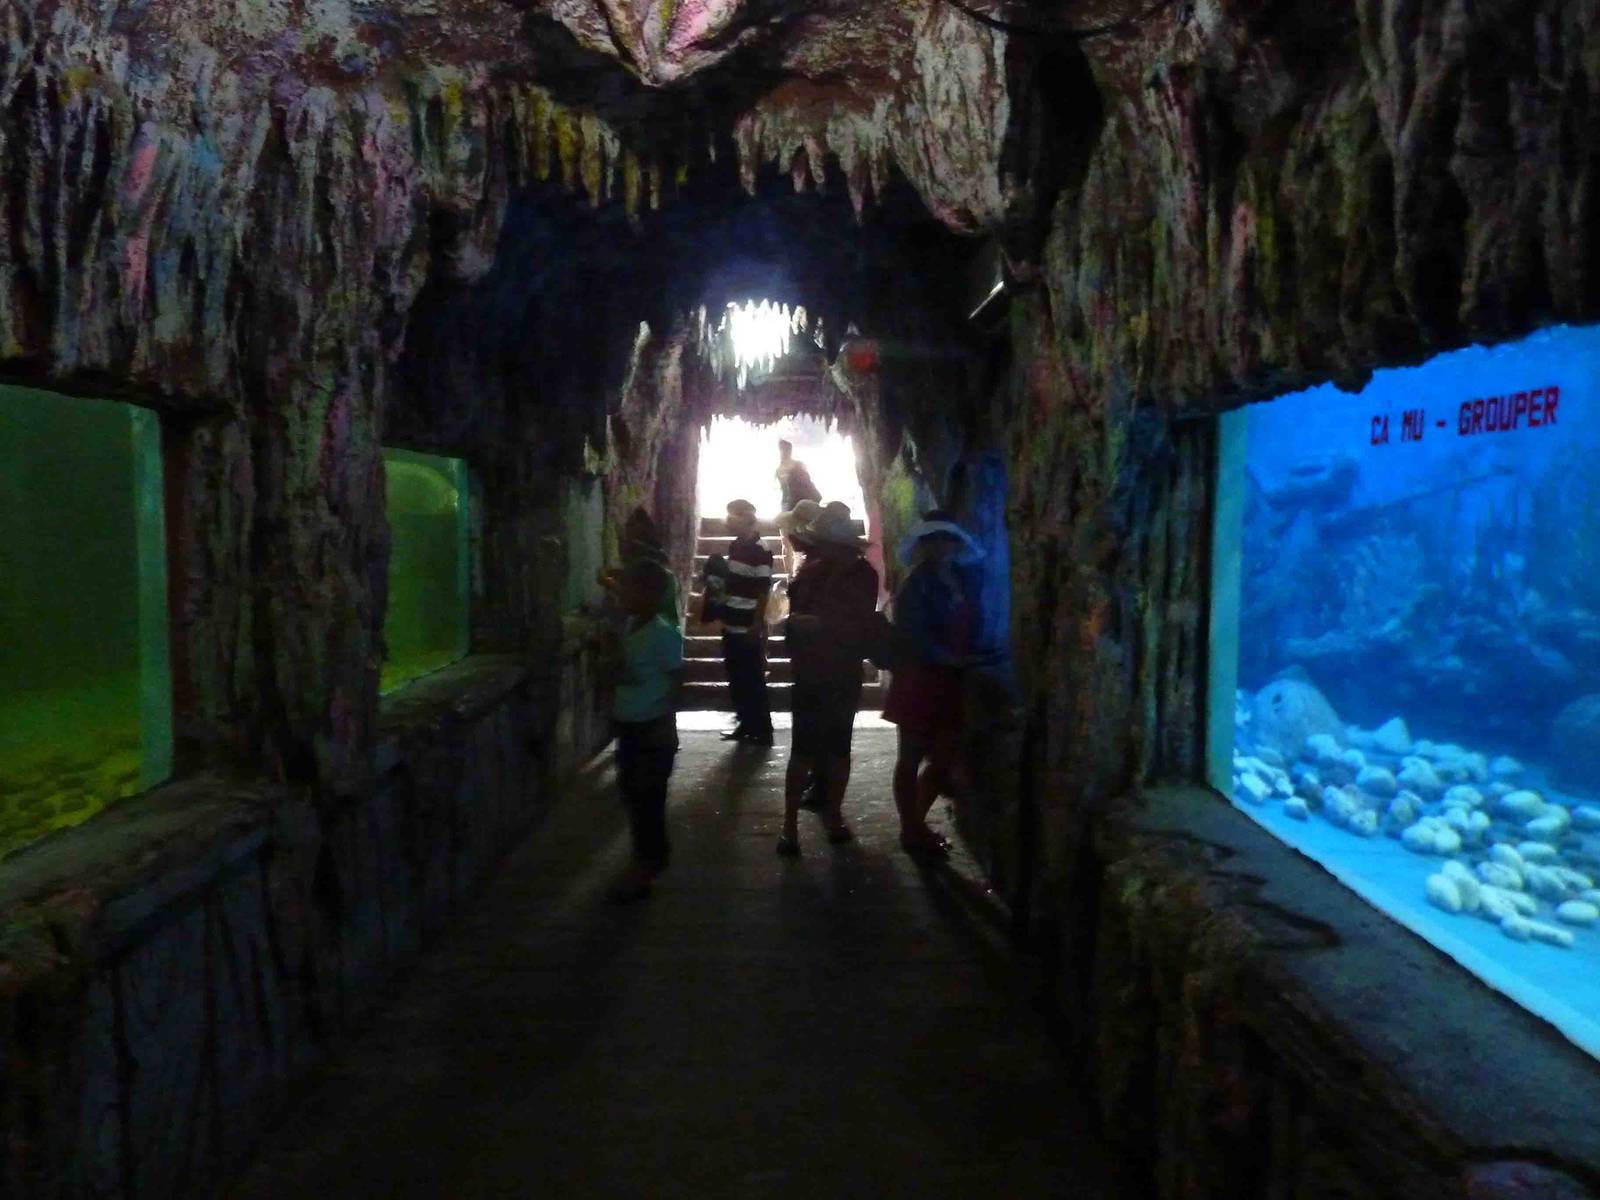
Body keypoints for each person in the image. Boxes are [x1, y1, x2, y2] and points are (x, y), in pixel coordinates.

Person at [882, 510, 987, 858]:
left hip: (948, 679)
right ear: (926, 545)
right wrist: (952, 658)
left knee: (943, 756)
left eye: (946, 539)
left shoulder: (957, 578)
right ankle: (912, 829)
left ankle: (915, 824)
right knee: (910, 756)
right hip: (920, 677)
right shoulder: (917, 583)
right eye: (935, 539)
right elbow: (913, 635)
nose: (942, 545)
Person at [778, 502, 878, 856]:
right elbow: (797, 619)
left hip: (839, 671)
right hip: (815, 671)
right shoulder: (812, 573)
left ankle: (831, 814)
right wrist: (801, 625)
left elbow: (859, 621)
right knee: (805, 749)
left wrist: (819, 624)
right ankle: (791, 824)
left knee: (837, 748)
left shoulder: (862, 575)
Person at [606, 559, 685, 902]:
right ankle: (648, 859)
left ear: (649, 595)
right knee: (635, 797)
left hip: (651, 729)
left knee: (646, 800)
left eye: (627, 588)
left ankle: (646, 865)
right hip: (630, 725)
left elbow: (676, 677)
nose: (621, 594)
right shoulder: (631, 627)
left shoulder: (661, 634)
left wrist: (662, 718)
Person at [719, 498, 775, 745]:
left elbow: (764, 590)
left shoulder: (760, 549)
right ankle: (745, 722)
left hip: (747, 624)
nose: (728, 521)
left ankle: (761, 728)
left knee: (752, 678)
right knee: (737, 676)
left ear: (746, 518)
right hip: (731, 621)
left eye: (733, 517)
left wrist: (756, 623)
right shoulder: (735, 546)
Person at [598, 506, 679, 624]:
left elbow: (638, 599)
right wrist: (613, 575)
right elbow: (632, 576)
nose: (626, 534)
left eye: (630, 526)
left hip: (657, 630)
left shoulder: (654, 563)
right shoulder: (653, 558)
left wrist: (608, 582)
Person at [775, 440, 821, 580]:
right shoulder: (783, 467)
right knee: (789, 542)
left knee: (793, 542)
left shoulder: (783, 468)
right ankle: (792, 575)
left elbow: (807, 485)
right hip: (790, 505)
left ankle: (796, 574)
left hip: (793, 506)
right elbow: (809, 486)